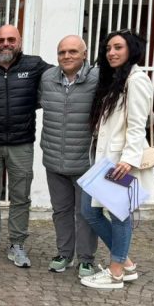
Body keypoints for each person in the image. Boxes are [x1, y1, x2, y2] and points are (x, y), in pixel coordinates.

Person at [80, 30, 154, 290]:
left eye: (118, 47)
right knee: (89, 211)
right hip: (105, 158)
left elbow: (138, 125)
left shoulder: (137, 79)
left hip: (121, 160)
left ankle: (116, 272)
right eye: (108, 48)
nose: (111, 53)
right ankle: (125, 263)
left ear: (131, 50)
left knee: (119, 215)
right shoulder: (116, 79)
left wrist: (128, 159)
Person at [0, 24, 51, 267]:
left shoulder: (35, 65)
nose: (6, 44)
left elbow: (64, 75)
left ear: (19, 42)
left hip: (21, 143)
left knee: (20, 196)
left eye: (11, 39)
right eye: (1, 40)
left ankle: (17, 243)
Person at [39, 35, 99, 279]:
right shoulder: (47, 78)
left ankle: (86, 259)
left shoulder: (97, 78)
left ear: (85, 54)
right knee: (61, 211)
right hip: (54, 158)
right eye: (62, 52)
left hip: (85, 161)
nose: (67, 56)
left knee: (86, 213)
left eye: (73, 51)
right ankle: (64, 253)